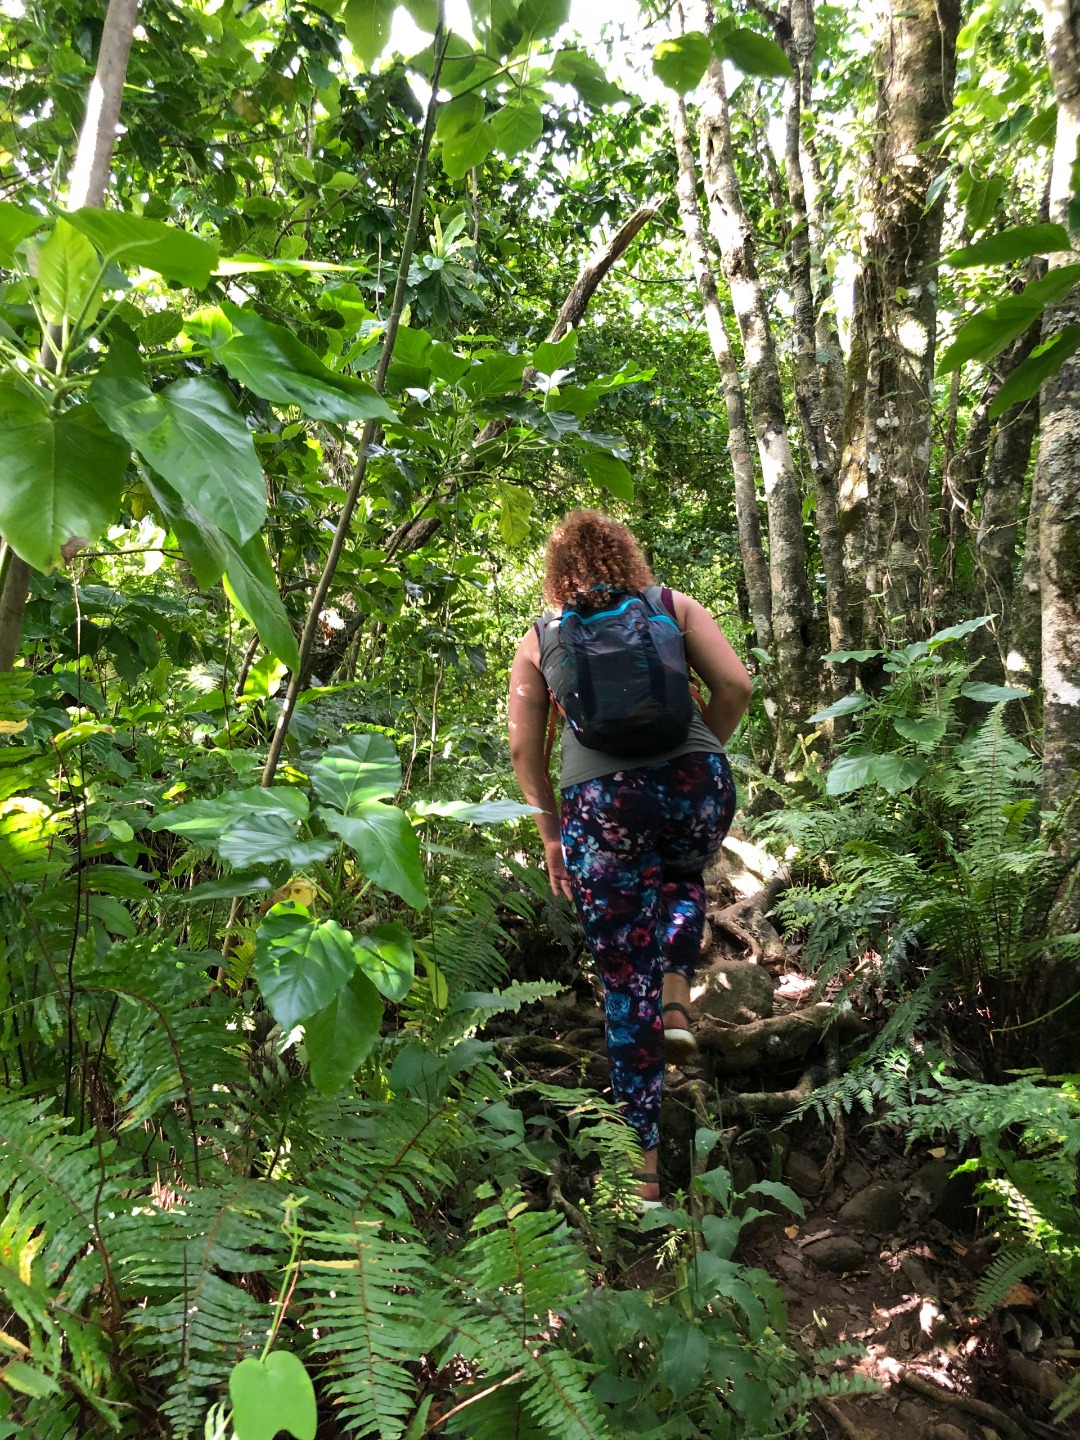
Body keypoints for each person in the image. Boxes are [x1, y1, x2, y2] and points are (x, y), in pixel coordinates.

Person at [508, 510, 752, 1207]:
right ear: (627, 556)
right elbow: (736, 688)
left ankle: (642, 1175)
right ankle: (675, 1000)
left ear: (557, 575)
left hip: (602, 806)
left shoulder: (541, 637)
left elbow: (524, 749)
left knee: (622, 982)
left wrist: (551, 834)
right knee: (682, 873)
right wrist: (702, 751)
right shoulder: (672, 605)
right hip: (695, 785)